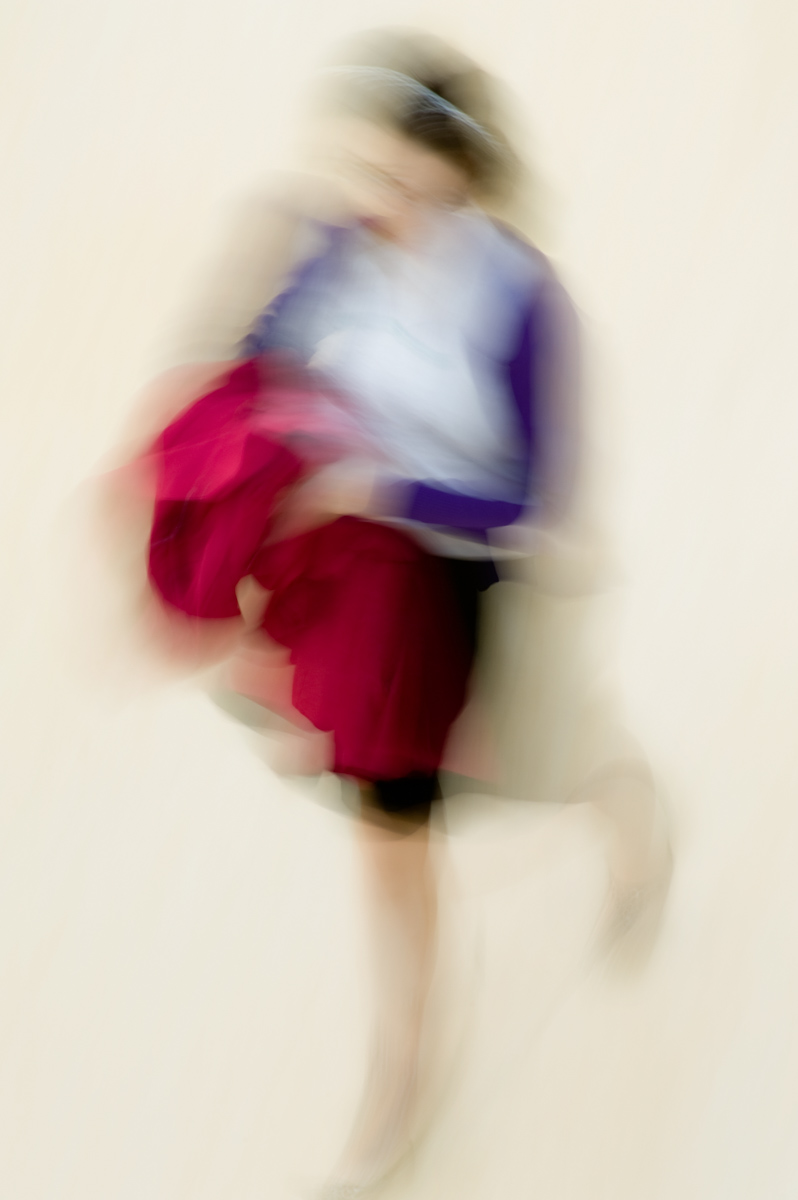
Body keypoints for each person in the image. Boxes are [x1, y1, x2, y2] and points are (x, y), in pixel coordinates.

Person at [140, 31, 584, 1197]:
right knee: (389, 825)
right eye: (360, 172)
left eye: (398, 181)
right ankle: (404, 1051)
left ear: (459, 177)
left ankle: (404, 1074)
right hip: (348, 577)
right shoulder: (338, 246)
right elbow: (253, 356)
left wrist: (383, 486)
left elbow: (530, 502)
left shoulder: (525, 302)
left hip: (447, 576)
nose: (371, 202)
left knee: (485, 802)